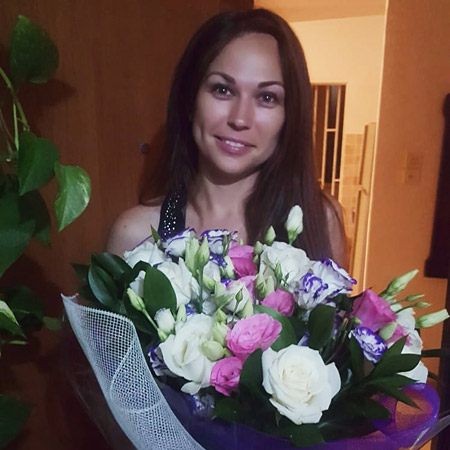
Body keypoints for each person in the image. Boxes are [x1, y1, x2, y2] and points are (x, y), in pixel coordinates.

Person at [107, 8, 348, 268]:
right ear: (190, 100)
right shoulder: (135, 235)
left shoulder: (319, 222)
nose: (240, 119)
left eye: (267, 98)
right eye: (222, 90)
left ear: (289, 114)